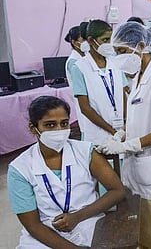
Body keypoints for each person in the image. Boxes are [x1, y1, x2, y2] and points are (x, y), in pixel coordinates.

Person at [97, 22, 151, 248]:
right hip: (139, 170)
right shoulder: (137, 78)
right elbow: (139, 118)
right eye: (117, 52)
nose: (119, 57)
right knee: (143, 235)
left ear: (141, 46)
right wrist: (122, 134)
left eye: (122, 51)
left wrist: (129, 145)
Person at [7, 96, 125, 248]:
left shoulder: (85, 151)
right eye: (50, 125)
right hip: (46, 231)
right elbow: (33, 225)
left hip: (88, 221)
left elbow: (117, 191)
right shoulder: (20, 169)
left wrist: (77, 216)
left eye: (64, 123)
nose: (59, 130)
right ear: (33, 128)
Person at [69, 19, 128, 145]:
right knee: (102, 161)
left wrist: (126, 122)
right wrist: (112, 131)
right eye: (105, 40)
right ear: (91, 41)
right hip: (98, 132)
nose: (109, 44)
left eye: (111, 40)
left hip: (121, 129)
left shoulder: (116, 62)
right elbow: (85, 108)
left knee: (122, 162)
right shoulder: (79, 68)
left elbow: (123, 95)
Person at [64, 25, 88, 138]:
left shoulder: (85, 57)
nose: (86, 42)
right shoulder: (73, 62)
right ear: (74, 42)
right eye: (83, 40)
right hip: (85, 102)